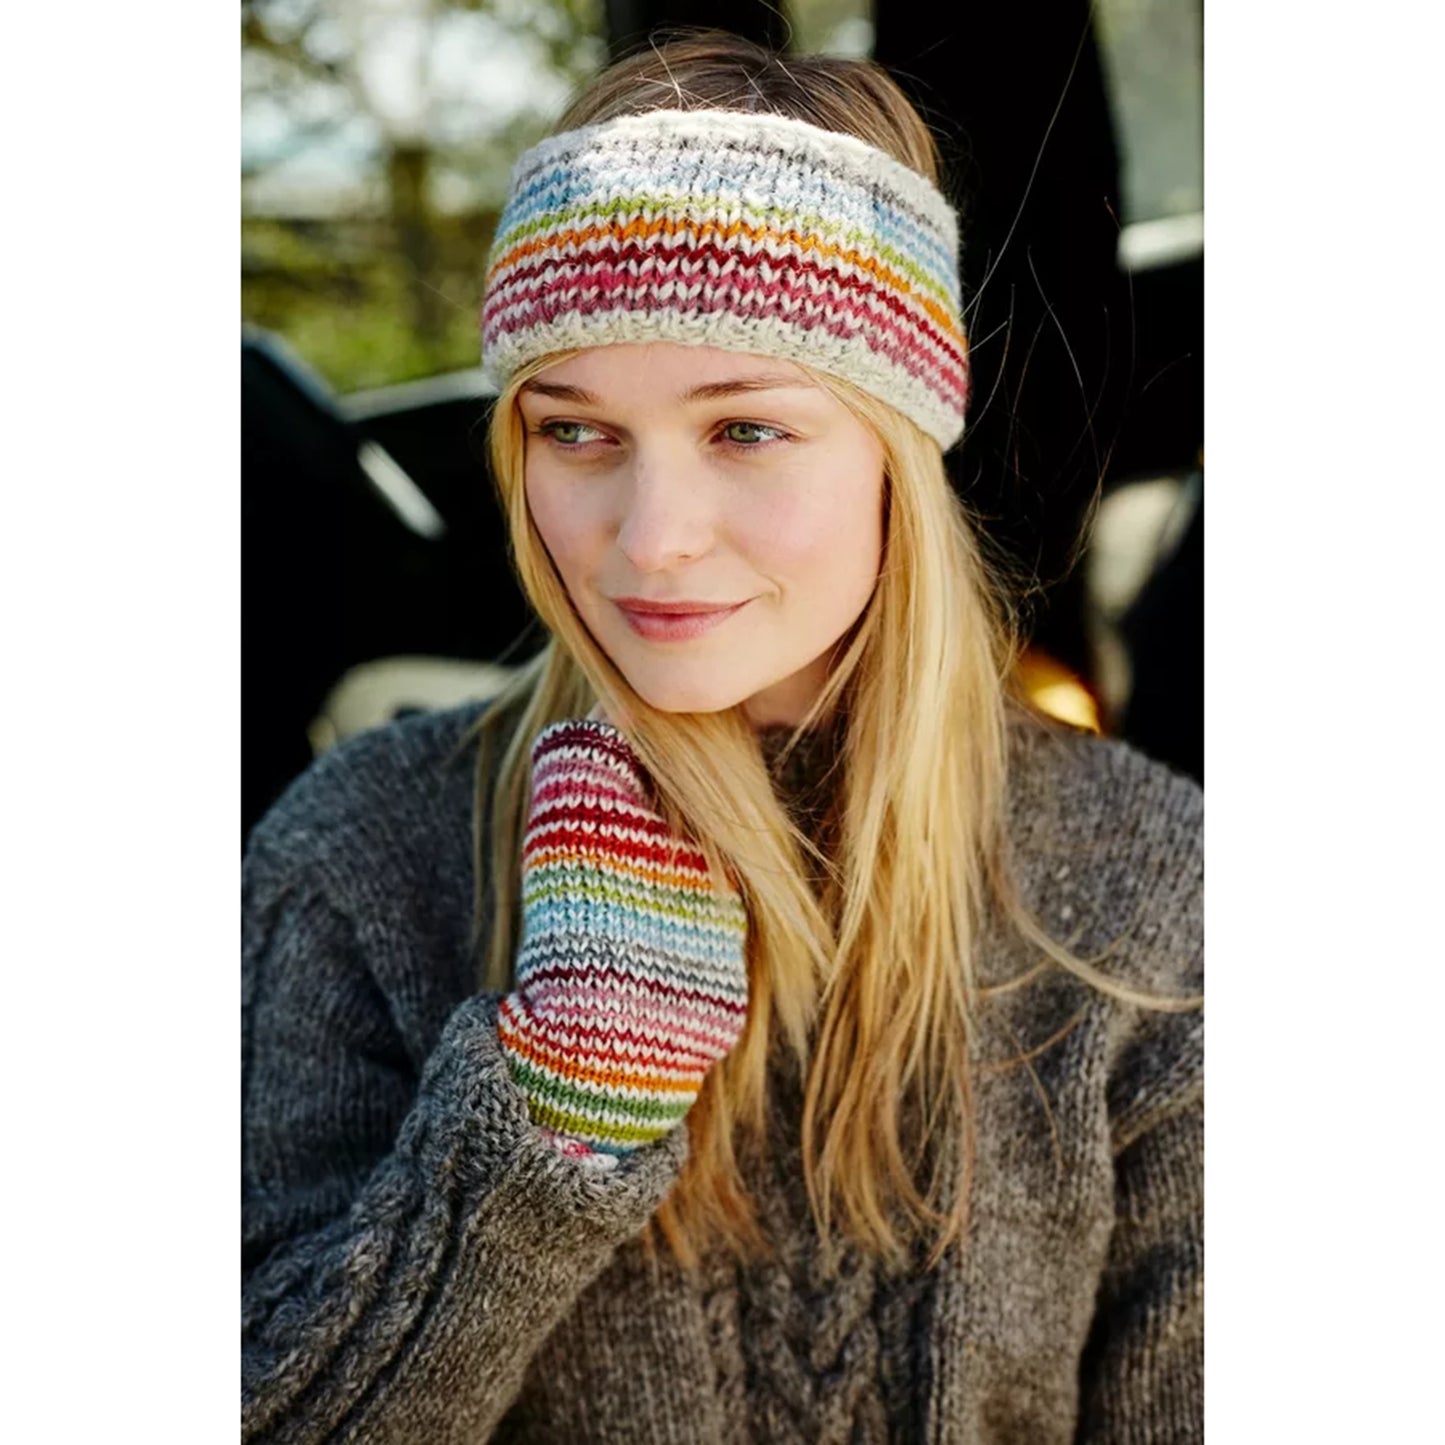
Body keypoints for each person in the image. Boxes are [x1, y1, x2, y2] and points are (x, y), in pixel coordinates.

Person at [241, 35, 1202, 1444]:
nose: (650, 537)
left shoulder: (1150, 888)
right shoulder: (361, 856)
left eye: (745, 428)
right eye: (576, 433)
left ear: (897, 449)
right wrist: (552, 1122)